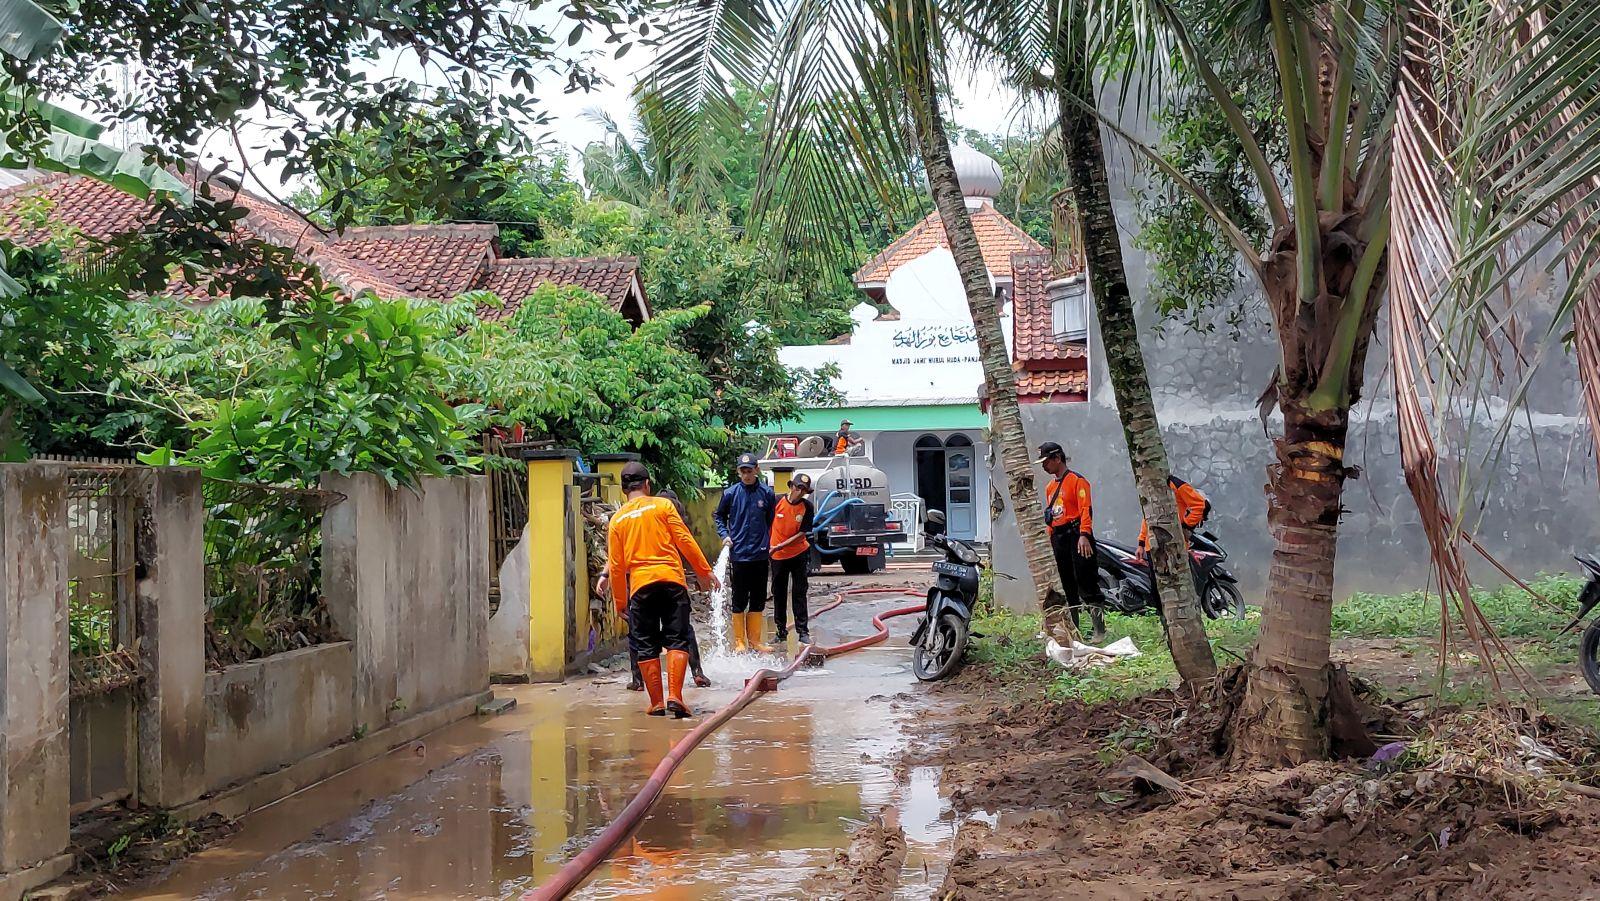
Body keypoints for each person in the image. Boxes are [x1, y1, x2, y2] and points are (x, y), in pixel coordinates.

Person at [608, 461, 718, 717]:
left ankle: (656, 702)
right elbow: (685, 540)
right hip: (671, 582)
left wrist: (620, 601)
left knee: (645, 644)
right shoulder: (663, 505)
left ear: (624, 489)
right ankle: (675, 697)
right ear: (647, 484)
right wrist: (704, 572)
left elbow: (616, 566)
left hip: (641, 587)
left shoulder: (618, 520)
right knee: (677, 638)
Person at [1037, 441, 1105, 641]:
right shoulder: (1050, 487)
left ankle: (1099, 630)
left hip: (1077, 535)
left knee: (1086, 581)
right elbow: (1051, 515)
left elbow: (1086, 509)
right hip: (1059, 538)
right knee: (1066, 585)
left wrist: (1084, 534)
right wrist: (1050, 539)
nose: (1044, 466)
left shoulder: (1077, 481)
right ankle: (1074, 629)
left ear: (1057, 458)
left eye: (1046, 461)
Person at [714, 452, 776, 653]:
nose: (746, 475)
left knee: (758, 597)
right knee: (739, 598)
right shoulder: (731, 493)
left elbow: (771, 520)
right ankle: (740, 641)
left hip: (759, 554)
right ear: (738, 472)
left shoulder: (766, 494)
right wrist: (725, 535)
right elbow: (719, 516)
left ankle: (756, 641)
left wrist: (766, 542)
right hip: (739, 554)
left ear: (756, 470)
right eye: (743, 471)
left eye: (750, 471)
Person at [658, 489, 712, 687]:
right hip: (674, 583)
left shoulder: (647, 520)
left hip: (645, 584)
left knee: (643, 635)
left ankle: (638, 679)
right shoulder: (677, 522)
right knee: (683, 631)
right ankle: (696, 671)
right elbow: (688, 548)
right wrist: (702, 575)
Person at [769, 472, 816, 645]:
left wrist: (781, 545)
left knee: (799, 592)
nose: (800, 492)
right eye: (798, 488)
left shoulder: (807, 507)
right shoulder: (776, 501)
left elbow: (802, 532)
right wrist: (771, 547)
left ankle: (803, 631)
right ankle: (781, 631)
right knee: (779, 593)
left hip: (798, 553)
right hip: (777, 556)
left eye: (803, 490)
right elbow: (767, 522)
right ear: (791, 487)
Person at [1136, 475, 1211, 557]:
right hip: (1153, 547)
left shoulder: (1176, 484)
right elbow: (1148, 516)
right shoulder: (1149, 488)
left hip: (1175, 546)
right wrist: (1141, 543)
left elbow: (1201, 505)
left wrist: (1186, 526)